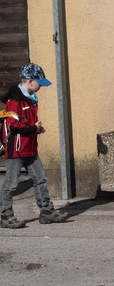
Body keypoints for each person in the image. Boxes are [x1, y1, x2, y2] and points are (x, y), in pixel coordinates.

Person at [0, 62, 68, 229]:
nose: (41, 86)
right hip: (15, 148)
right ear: (29, 81)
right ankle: (5, 214)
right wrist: (34, 128)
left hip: (30, 146)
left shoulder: (31, 98)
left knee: (40, 178)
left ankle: (46, 211)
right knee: (11, 183)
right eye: (39, 83)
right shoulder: (15, 99)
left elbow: (25, 122)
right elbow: (13, 126)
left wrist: (35, 127)